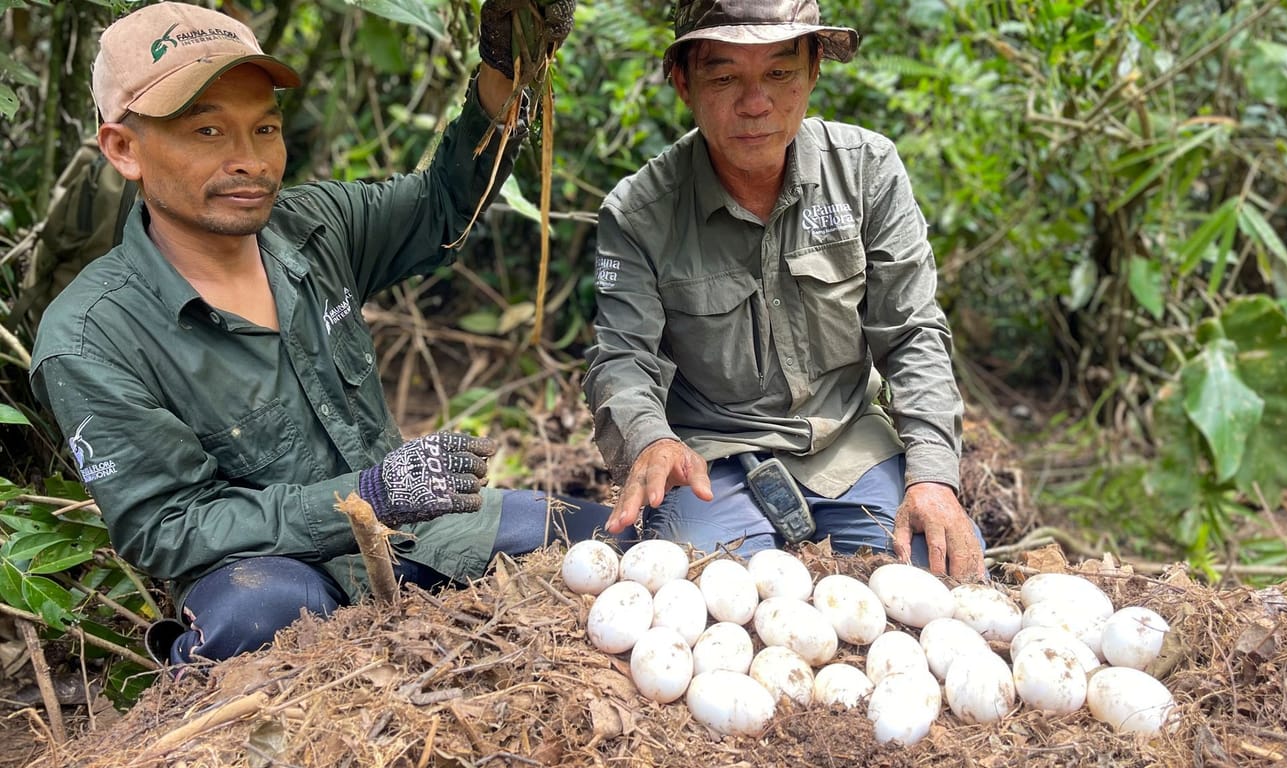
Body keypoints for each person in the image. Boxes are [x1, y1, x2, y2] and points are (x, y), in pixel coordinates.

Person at [28, 0, 610, 667]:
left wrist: (508, 71)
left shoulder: (318, 227)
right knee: (257, 620)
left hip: (420, 533)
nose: (249, 160)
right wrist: (365, 497)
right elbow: (169, 529)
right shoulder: (91, 337)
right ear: (123, 148)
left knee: (607, 539)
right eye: (209, 132)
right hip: (278, 571)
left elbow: (442, 206)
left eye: (265, 128)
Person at [583, 0, 986, 581]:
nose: (755, 104)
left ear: (814, 70)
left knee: (939, 583)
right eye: (724, 77)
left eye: (779, 73)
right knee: (689, 597)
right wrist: (649, 441)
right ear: (683, 83)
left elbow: (912, 332)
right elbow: (622, 357)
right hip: (709, 461)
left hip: (850, 445)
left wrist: (931, 476)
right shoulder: (639, 213)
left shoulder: (867, 171)